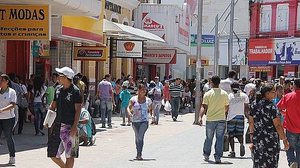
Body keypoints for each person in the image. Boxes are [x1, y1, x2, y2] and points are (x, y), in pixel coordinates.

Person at [49, 67, 82, 168]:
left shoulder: (76, 91)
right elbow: (53, 106)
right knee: (52, 154)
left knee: (70, 155)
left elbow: (78, 110)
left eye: (60, 75)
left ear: (66, 77)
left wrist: (74, 127)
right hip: (57, 126)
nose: (58, 77)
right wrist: (48, 119)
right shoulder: (58, 89)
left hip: (70, 126)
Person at [249, 84, 289, 168]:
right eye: (273, 92)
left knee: (258, 162)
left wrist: (251, 135)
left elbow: (251, 121)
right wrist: (284, 139)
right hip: (270, 140)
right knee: (271, 163)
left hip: (258, 138)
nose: (275, 94)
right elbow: (277, 125)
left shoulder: (254, 104)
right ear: (267, 94)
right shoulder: (272, 106)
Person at [200, 75, 229, 164]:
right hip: (221, 119)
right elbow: (227, 107)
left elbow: (204, 107)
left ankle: (206, 154)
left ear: (211, 82)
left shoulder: (208, 94)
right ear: (219, 83)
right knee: (219, 138)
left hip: (210, 119)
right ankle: (218, 157)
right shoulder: (224, 93)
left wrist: (200, 117)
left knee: (209, 138)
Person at [277, 78, 300, 168]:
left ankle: (292, 162)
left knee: (289, 147)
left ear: (294, 85)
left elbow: (278, 108)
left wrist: (285, 113)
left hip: (291, 128)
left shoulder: (288, 96)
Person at [127, 84, 152, 160]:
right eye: (142, 89)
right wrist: (129, 113)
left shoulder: (148, 100)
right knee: (137, 137)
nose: (144, 91)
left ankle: (139, 154)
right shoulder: (133, 99)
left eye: (145, 89)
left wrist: (152, 116)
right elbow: (128, 107)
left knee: (140, 137)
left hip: (144, 121)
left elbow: (151, 109)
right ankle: (138, 153)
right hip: (135, 122)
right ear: (138, 90)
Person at [226, 82, 249, 158]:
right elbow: (246, 107)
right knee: (240, 134)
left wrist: (225, 116)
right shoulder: (244, 96)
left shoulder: (230, 96)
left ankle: (232, 151)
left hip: (231, 117)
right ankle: (241, 144)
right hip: (241, 116)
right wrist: (247, 116)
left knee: (231, 135)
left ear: (232, 88)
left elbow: (227, 107)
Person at [0, 74, 17, 164]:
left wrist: (2, 110)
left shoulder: (11, 92)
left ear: (7, 81)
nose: (0, 82)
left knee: (8, 136)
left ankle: (12, 156)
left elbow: (13, 104)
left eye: (2, 80)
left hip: (8, 118)